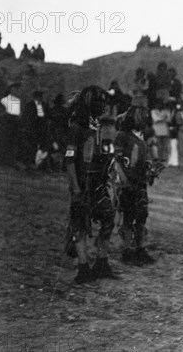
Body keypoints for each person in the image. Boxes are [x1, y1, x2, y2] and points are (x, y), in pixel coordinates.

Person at [64, 86, 116, 283]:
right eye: (99, 102)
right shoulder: (77, 127)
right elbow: (69, 159)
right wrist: (76, 188)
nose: (103, 106)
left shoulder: (95, 127)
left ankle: (102, 263)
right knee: (80, 223)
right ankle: (83, 267)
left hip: (97, 182)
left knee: (109, 216)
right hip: (82, 183)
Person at [114, 106, 156, 266]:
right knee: (128, 217)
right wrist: (123, 180)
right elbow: (117, 161)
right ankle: (127, 250)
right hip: (128, 182)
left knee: (141, 215)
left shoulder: (141, 136)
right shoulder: (122, 136)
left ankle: (140, 248)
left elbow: (145, 158)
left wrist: (150, 168)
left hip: (140, 182)